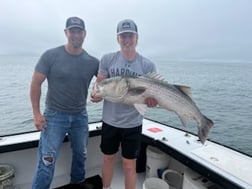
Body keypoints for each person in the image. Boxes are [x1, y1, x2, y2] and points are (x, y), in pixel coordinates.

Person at [30, 16, 99, 189]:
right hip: (54, 116)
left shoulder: (92, 62)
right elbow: (35, 83)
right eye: (72, 31)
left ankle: (77, 183)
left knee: (81, 155)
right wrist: (37, 114)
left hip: (80, 116)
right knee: (47, 161)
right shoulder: (51, 55)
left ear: (84, 34)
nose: (76, 35)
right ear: (66, 32)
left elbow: (106, 83)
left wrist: (98, 94)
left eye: (79, 31)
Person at [91, 19, 157, 189]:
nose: (127, 39)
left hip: (133, 123)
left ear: (137, 37)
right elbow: (99, 84)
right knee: (108, 158)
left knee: (129, 164)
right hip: (110, 121)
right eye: (123, 36)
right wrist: (95, 94)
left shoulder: (147, 65)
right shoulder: (107, 59)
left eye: (130, 36)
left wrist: (152, 102)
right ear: (117, 38)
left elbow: (152, 99)